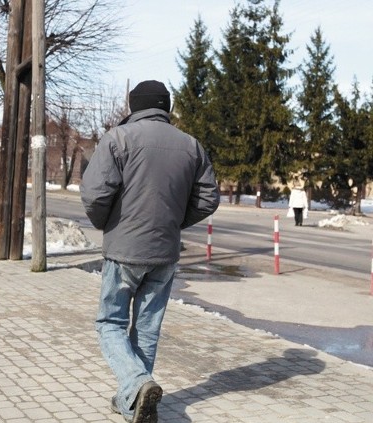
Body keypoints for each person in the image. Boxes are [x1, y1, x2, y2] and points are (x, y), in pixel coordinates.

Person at [80, 80, 220, 423]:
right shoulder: (191, 145)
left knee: (110, 323)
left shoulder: (118, 139)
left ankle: (136, 382)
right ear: (165, 107)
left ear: (134, 106)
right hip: (164, 253)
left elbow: (94, 194)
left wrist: (108, 224)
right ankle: (134, 402)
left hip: (123, 250)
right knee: (147, 327)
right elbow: (208, 198)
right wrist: (172, 223)